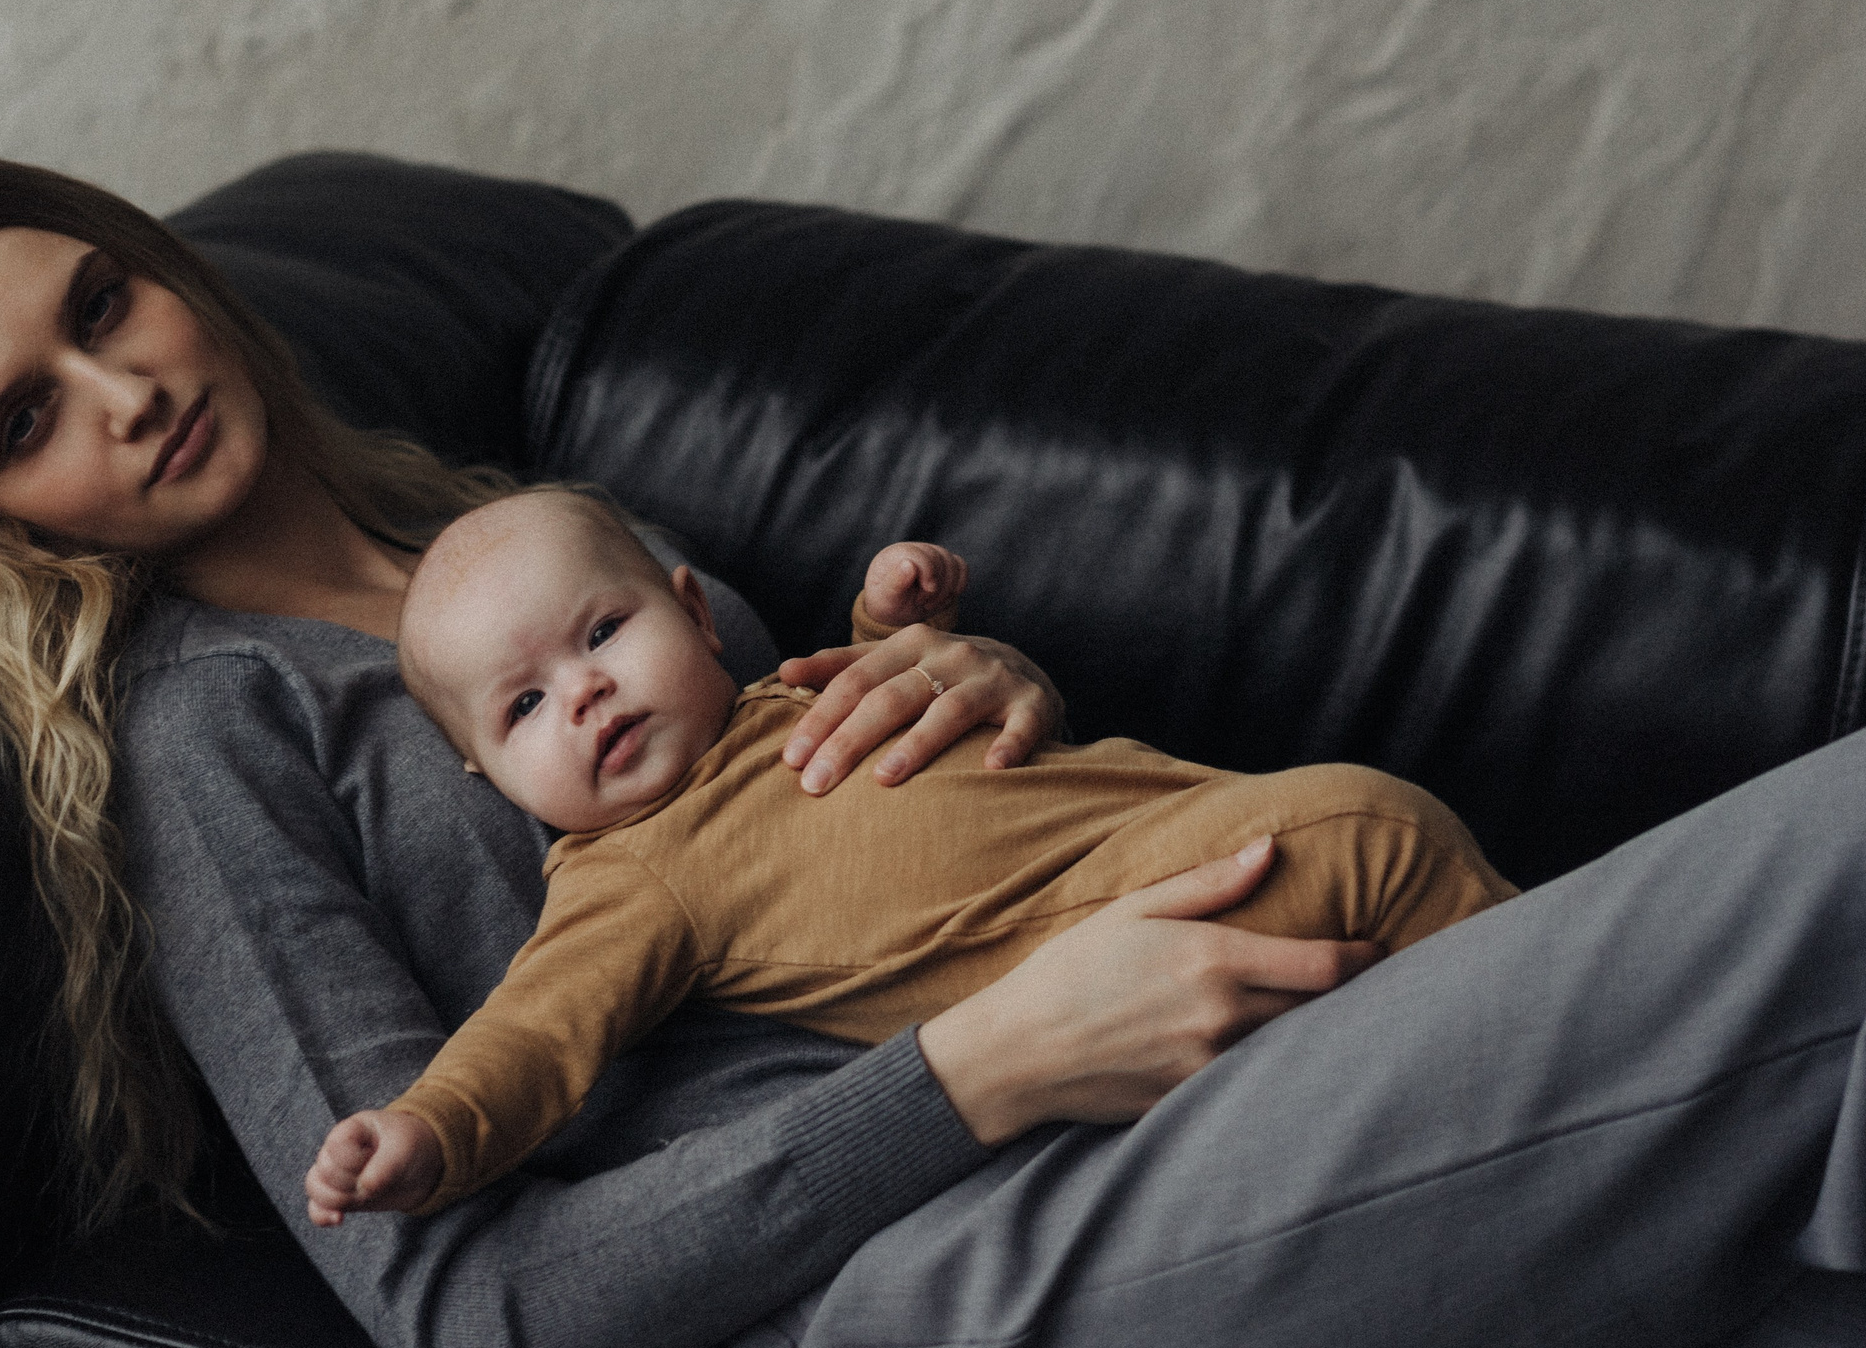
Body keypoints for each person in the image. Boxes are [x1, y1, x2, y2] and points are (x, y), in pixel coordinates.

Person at [0, 154, 1866, 1348]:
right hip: (950, 1291)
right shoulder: (212, 743)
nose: (123, 392)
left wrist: (985, 688)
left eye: (100, 302)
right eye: (25, 418)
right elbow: (479, 1330)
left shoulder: (517, 536)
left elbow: (839, 850)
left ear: (160, 263)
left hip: (1187, 1113)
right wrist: (985, 1066)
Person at [308, 488, 1510, 1221]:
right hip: (1147, 918)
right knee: (1374, 843)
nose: (583, 694)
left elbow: (905, 697)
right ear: (488, 775)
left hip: (1173, 824)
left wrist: (897, 619)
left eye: (604, 632)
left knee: (1424, 932)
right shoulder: (630, 877)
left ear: (696, 614)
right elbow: (534, 1033)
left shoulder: (786, 698)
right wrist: (428, 1130)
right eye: (522, 707)